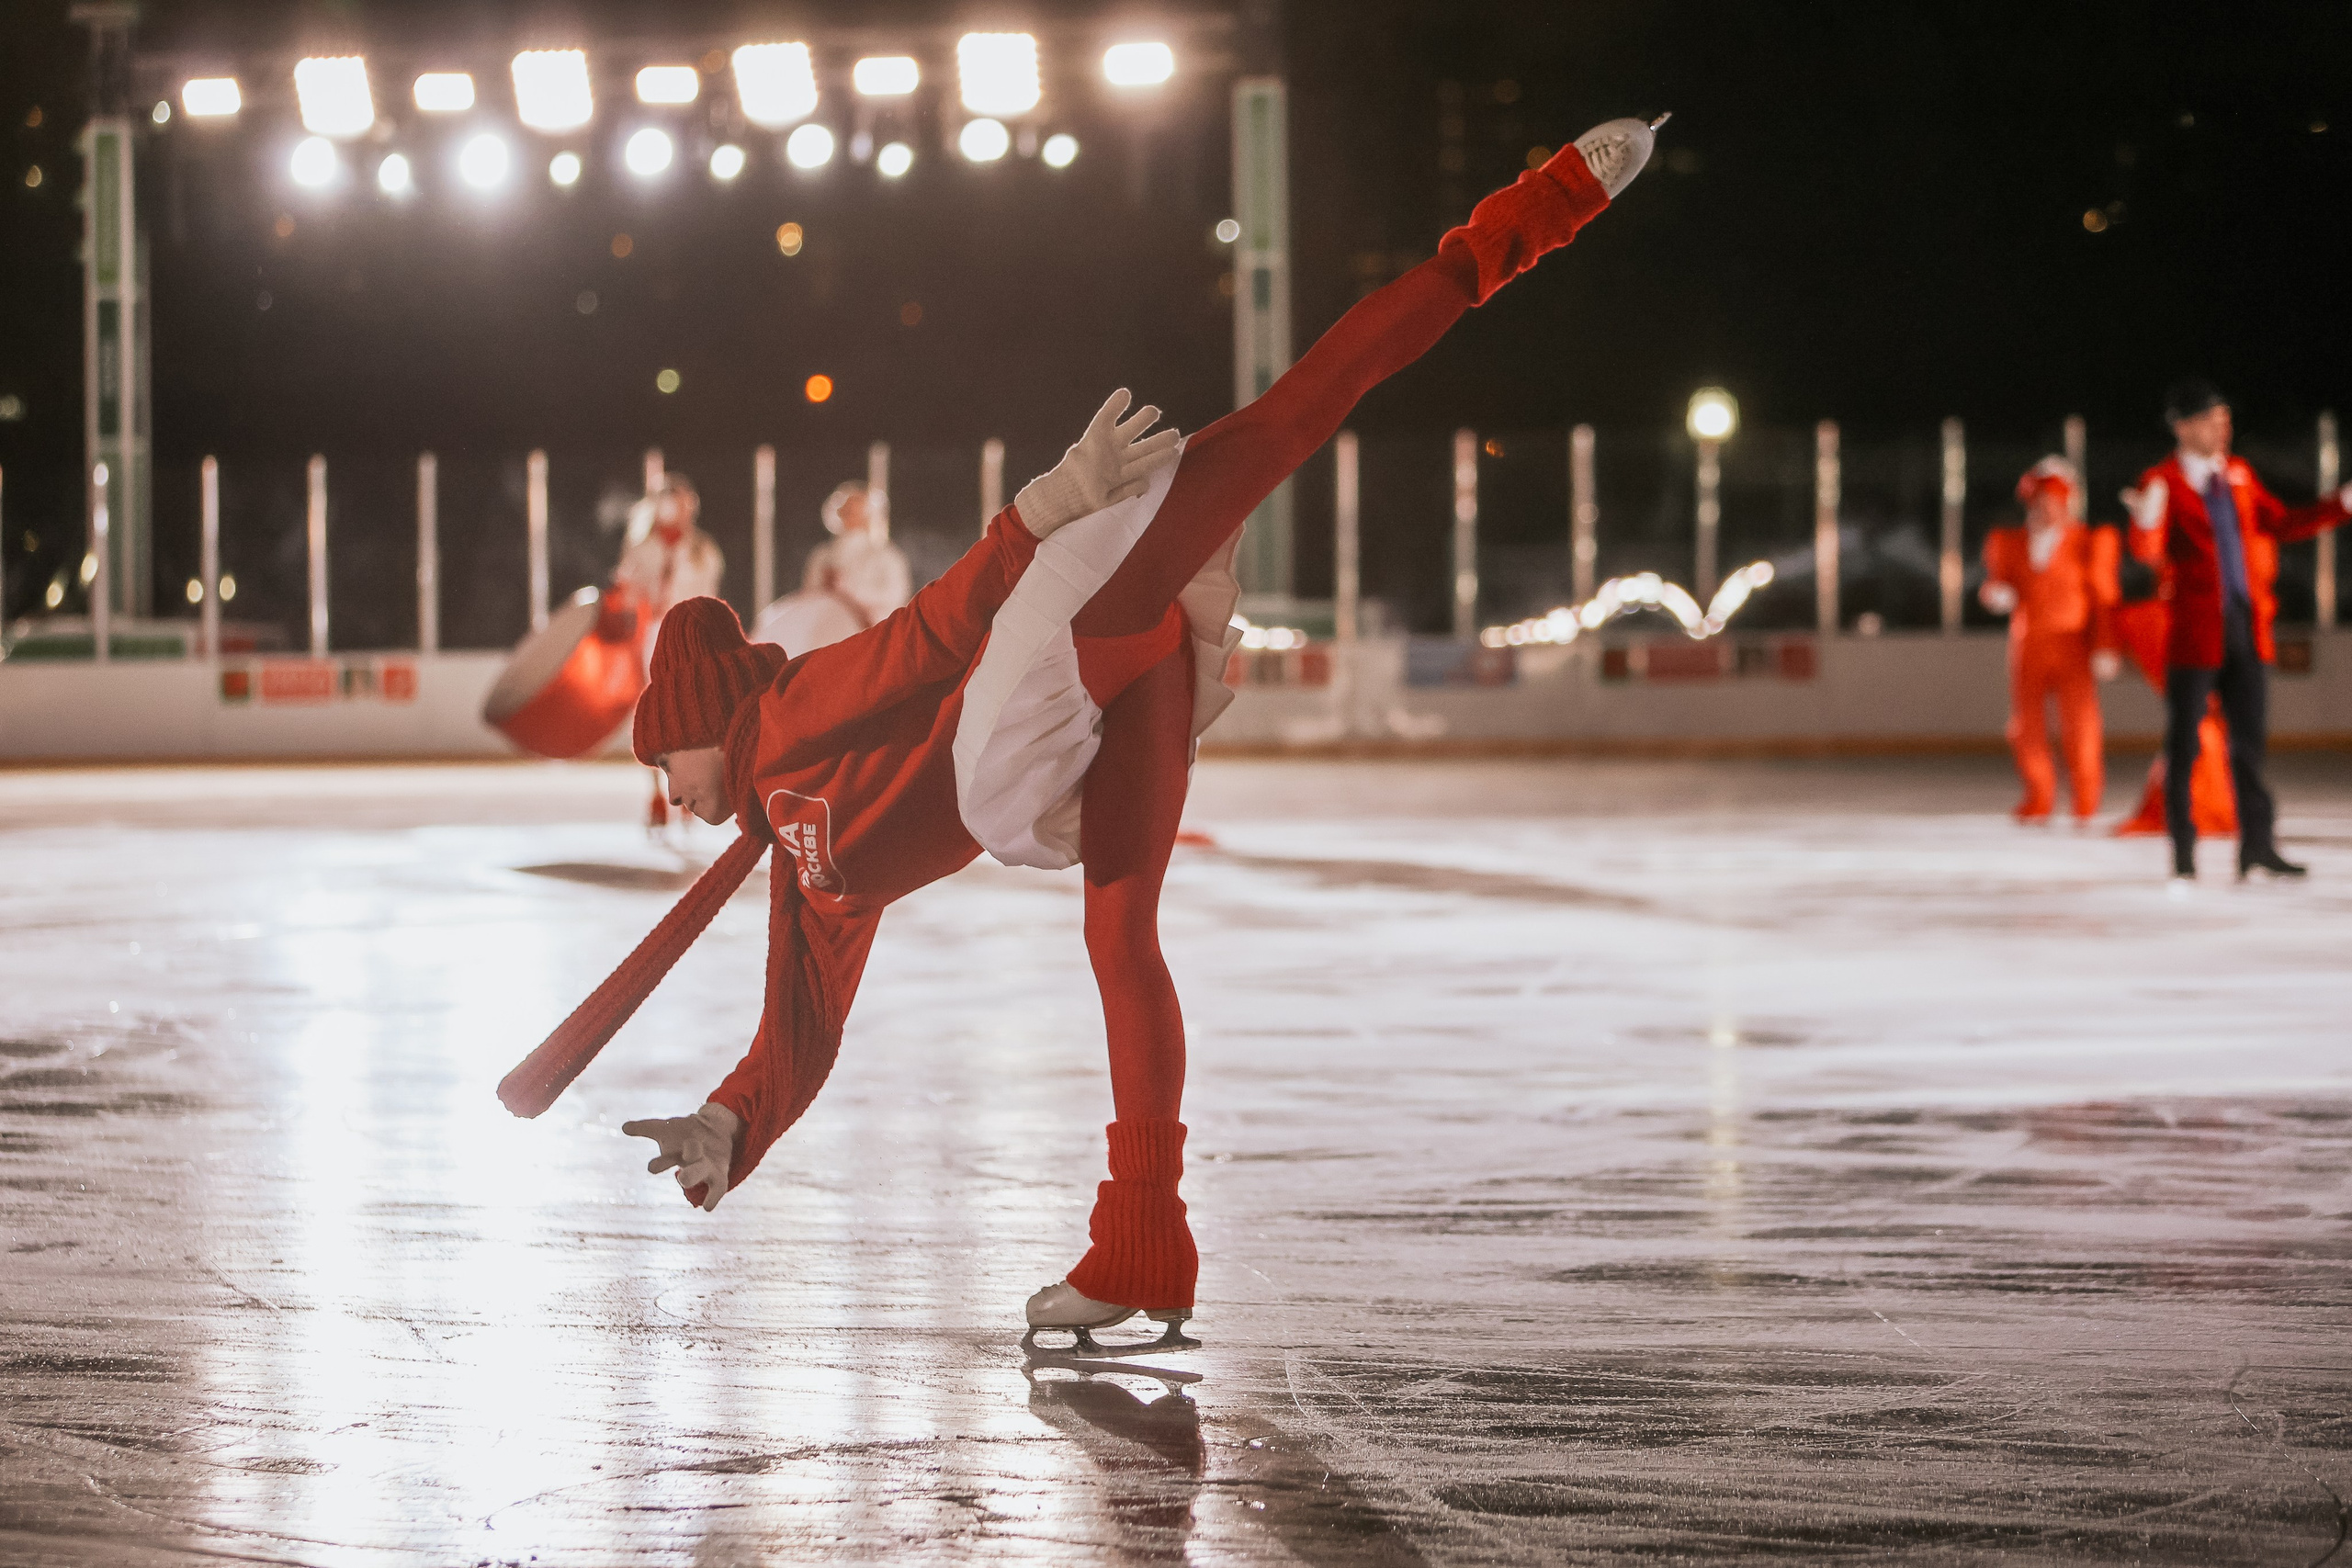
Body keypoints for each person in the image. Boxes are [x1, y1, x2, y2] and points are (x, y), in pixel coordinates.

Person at [522, 118, 1660, 1348]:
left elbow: (925, 639)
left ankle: (1530, 216)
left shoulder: (786, 720)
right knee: (1123, 939)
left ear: (705, 721)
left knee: (1283, 425)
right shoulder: (803, 872)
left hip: (1037, 664)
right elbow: (799, 1027)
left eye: (662, 756)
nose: (664, 785)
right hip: (1073, 732)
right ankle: (1144, 1243)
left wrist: (1038, 513)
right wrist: (731, 1122)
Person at [2132, 378, 2352, 881]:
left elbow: (2282, 523)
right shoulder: (2161, 481)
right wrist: (2145, 522)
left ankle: (2257, 846)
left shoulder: (2237, 474)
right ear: (2183, 427)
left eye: (2225, 419)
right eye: (2212, 420)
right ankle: (2184, 855)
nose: (2223, 429)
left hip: (2247, 628)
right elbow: (2146, 552)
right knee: (2185, 747)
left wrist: (2340, 505)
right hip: (2195, 635)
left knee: (2249, 747)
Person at [1978, 457, 2121, 825]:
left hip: (2073, 644)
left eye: (2056, 501)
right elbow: (1997, 581)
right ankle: (2038, 795)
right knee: (2026, 725)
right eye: (2041, 501)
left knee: (2081, 726)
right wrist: (1996, 594)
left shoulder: (2089, 542)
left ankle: (2085, 799)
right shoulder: (2010, 542)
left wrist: (2106, 645)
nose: (2048, 509)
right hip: (2027, 644)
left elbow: (2103, 596)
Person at [612, 476, 725, 829]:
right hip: (649, 636)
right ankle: (655, 793)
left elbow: (708, 597)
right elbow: (625, 596)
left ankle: (688, 787)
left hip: (687, 638)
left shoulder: (703, 549)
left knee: (686, 714)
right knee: (651, 714)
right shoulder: (640, 549)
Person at [750, 481, 913, 657]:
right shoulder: (822, 554)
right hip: (823, 618)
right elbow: (810, 591)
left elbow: (894, 595)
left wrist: (848, 589)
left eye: (857, 510)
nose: (851, 515)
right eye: (847, 509)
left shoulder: (886, 556)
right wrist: (827, 589)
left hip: (867, 625)